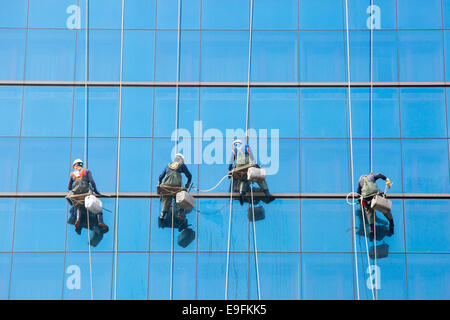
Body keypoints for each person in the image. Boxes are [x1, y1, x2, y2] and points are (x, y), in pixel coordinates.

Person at [68, 159, 108, 234]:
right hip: (86, 192)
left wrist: (74, 188)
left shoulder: (72, 174)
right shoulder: (86, 171)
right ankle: (100, 221)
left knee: (78, 205)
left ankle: (78, 218)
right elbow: (92, 182)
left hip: (77, 193)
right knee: (98, 208)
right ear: (81, 165)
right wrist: (96, 191)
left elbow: (69, 187)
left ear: (75, 166)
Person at [228, 139, 275, 205]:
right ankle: (267, 193)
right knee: (259, 178)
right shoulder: (247, 147)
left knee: (243, 179)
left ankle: (242, 194)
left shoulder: (235, 150)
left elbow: (231, 162)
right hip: (248, 166)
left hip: (239, 167)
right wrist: (257, 166)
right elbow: (252, 159)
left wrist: (229, 170)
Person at [158, 153, 192, 222]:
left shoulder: (168, 165)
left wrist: (159, 182)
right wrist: (187, 184)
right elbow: (189, 175)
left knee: (166, 197)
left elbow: (161, 176)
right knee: (180, 197)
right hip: (176, 185)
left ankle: (163, 214)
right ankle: (180, 213)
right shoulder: (181, 165)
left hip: (166, 185)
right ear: (181, 159)